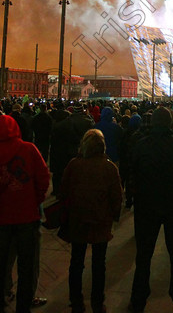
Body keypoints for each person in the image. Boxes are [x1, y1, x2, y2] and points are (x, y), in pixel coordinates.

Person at [0, 114, 50, 313]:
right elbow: (44, 176)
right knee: (27, 266)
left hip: (1, 218)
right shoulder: (29, 149)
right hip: (28, 216)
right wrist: (36, 199)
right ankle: (23, 304)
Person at [128, 106, 173, 313]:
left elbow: (132, 177)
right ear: (170, 123)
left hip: (146, 208)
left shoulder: (141, 146)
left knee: (143, 256)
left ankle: (138, 301)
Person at [59, 129, 123, 313]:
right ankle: (97, 301)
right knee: (98, 263)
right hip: (100, 221)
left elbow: (63, 191)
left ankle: (76, 302)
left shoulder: (74, 165)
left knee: (76, 261)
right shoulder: (109, 167)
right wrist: (113, 216)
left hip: (78, 219)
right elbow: (116, 196)